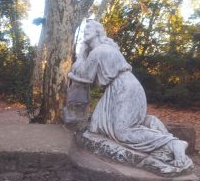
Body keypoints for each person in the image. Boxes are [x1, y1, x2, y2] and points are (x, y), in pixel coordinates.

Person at [68, 20, 191, 168]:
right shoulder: (105, 49)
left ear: (98, 32)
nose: (85, 31)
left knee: (122, 133)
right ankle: (150, 124)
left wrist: (81, 54)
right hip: (120, 88)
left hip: (123, 89)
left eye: (89, 28)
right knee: (95, 127)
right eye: (85, 28)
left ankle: (173, 144)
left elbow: (85, 77)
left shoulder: (98, 51)